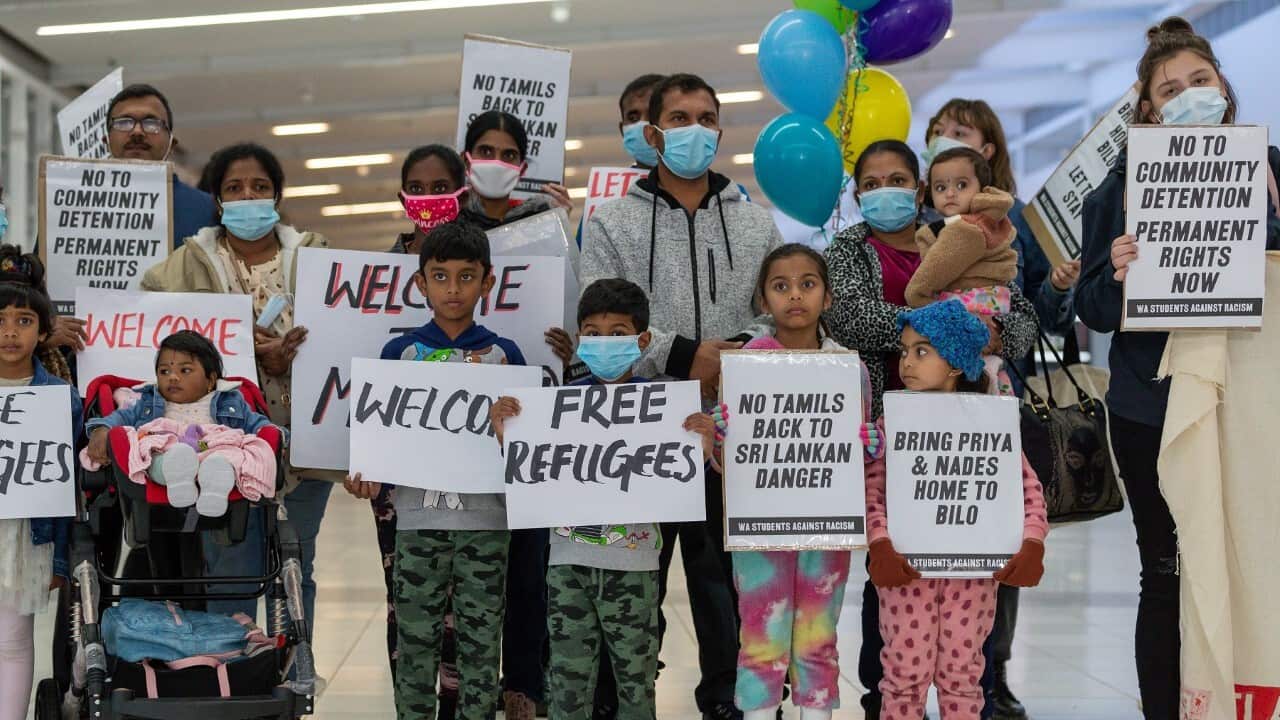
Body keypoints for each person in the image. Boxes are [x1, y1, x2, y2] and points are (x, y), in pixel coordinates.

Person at [1076, 17, 1280, 720]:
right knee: (1166, 571)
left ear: (1223, 86)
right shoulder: (1119, 187)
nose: (1191, 94)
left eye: (1201, 80)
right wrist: (1122, 273)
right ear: (1147, 110)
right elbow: (1093, 307)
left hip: (1250, 400)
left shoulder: (1270, 167)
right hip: (1151, 405)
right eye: (1172, 89)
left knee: (1254, 559)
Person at [582, 71, 785, 720]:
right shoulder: (612, 222)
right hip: (637, 431)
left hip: (727, 433)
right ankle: (618, 702)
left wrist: (731, 358)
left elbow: (777, 311)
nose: (693, 129)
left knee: (722, 584)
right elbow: (599, 315)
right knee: (630, 583)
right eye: (678, 118)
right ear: (652, 132)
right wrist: (681, 354)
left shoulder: (755, 225)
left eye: (705, 117)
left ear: (719, 131)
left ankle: (728, 701)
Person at [823, 140, 1039, 720]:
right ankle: (887, 700)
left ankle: (977, 692)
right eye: (870, 181)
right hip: (887, 427)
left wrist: (979, 335)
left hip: (973, 422)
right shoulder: (847, 248)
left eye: (897, 178)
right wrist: (947, 328)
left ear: (918, 189)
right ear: (857, 192)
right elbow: (848, 317)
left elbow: (1019, 323)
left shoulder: (961, 231)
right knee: (894, 586)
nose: (884, 189)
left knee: (975, 570)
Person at [923, 98, 1082, 720]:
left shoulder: (1015, 219)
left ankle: (992, 673)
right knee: (925, 537)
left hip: (997, 399)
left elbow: (1037, 312)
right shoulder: (918, 216)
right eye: (936, 133)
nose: (943, 141)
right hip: (921, 402)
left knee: (995, 537)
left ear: (987, 151)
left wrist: (1055, 290)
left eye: (958, 134)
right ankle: (920, 671)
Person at [491, 277, 714, 720]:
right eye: (592, 333)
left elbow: (682, 478)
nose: (604, 343)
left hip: (634, 568)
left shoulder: (664, 407)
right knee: (567, 683)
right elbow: (531, 466)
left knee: (636, 682)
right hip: (566, 565)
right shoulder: (557, 403)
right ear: (578, 340)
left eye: (618, 333)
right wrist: (506, 432)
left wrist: (703, 446)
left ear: (643, 340)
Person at [139, 142, 331, 631]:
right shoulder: (185, 263)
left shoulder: (316, 255)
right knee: (228, 564)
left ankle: (291, 668)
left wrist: (295, 354)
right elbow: (147, 327)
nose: (248, 195)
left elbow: (342, 333)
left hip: (302, 438)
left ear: (277, 196)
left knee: (295, 559)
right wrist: (239, 351)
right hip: (216, 442)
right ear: (217, 201)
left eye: (260, 187)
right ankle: (238, 671)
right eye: (234, 188)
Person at [343, 220, 525, 720]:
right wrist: (364, 472)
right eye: (440, 276)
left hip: (487, 526)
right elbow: (373, 435)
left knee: (482, 642)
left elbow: (527, 450)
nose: (453, 288)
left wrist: (513, 425)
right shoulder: (397, 354)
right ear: (420, 283)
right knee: (415, 642)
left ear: (488, 283)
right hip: (416, 523)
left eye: (466, 277)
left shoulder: (506, 357)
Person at [715, 244, 881, 720]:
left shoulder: (849, 369)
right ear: (763, 300)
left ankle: (819, 711)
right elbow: (728, 461)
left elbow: (858, 458)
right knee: (762, 635)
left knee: (817, 636)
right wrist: (722, 437)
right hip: (759, 530)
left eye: (807, 284)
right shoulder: (746, 365)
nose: (795, 296)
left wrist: (870, 446)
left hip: (825, 529)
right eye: (780, 286)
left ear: (827, 297)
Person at [867, 299, 1048, 720]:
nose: (906, 362)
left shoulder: (990, 423)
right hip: (907, 575)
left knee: (963, 679)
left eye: (922, 351)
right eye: (905, 350)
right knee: (903, 679)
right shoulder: (889, 424)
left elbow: (1026, 489)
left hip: (973, 578)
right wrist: (880, 544)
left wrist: (1032, 542)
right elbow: (873, 492)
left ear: (954, 365)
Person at [458, 109, 563, 719]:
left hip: (533, 420)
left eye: (506, 151)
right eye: (483, 149)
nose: (495, 160)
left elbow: (578, 309)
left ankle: (525, 681)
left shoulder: (546, 228)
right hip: (454, 434)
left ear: (522, 165)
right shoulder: (439, 233)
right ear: (467, 159)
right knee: (466, 573)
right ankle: (465, 687)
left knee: (531, 565)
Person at [82, 331, 278, 518]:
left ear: (210, 380)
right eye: (164, 371)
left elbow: (259, 425)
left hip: (209, 448)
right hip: (169, 450)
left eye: (185, 370)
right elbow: (121, 418)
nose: (173, 377)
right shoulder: (148, 401)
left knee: (231, 454)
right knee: (153, 452)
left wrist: (279, 438)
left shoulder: (230, 401)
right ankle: (178, 479)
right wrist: (103, 428)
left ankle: (215, 491)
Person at [0, 276, 81, 720]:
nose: (10, 332)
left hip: (25, 537)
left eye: (23, 320)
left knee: (13, 640)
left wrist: (58, 561)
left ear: (45, 330)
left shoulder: (60, 398)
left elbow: (62, 487)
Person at [907, 147, 1019, 395]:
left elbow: (921, 286)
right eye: (940, 187)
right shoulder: (989, 221)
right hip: (986, 318)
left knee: (967, 399)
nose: (949, 193)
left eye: (961, 185)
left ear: (982, 187)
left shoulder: (964, 230)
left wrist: (924, 311)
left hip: (967, 321)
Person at [104, 83, 218, 248]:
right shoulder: (74, 210)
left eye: (151, 123)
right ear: (106, 142)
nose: (137, 132)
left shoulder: (210, 212)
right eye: (123, 122)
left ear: (172, 144)